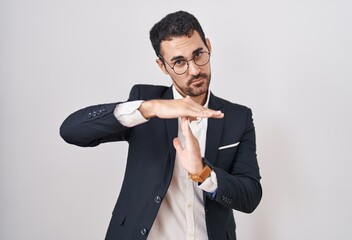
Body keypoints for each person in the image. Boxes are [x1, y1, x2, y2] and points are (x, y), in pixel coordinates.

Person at [60, 10, 262, 240]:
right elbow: (71, 131)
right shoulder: (145, 104)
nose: (194, 70)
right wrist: (150, 108)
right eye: (179, 62)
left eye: (198, 55)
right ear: (162, 66)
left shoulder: (238, 117)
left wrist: (203, 173)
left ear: (208, 46)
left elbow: (250, 196)